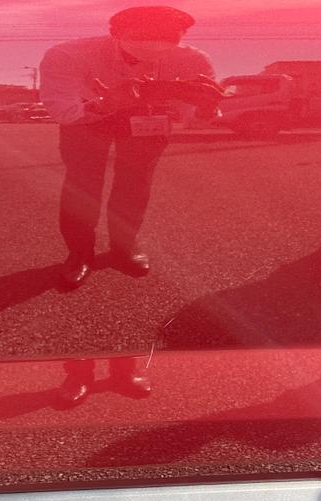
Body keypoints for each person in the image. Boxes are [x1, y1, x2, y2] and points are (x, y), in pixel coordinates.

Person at [40, 6, 221, 289]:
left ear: (182, 35)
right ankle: (80, 252)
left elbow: (193, 119)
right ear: (116, 33)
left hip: (149, 118)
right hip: (88, 116)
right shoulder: (67, 54)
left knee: (135, 184)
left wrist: (207, 108)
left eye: (168, 36)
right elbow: (63, 111)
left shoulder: (194, 60)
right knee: (83, 185)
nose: (154, 42)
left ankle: (123, 247)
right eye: (144, 34)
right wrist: (106, 104)